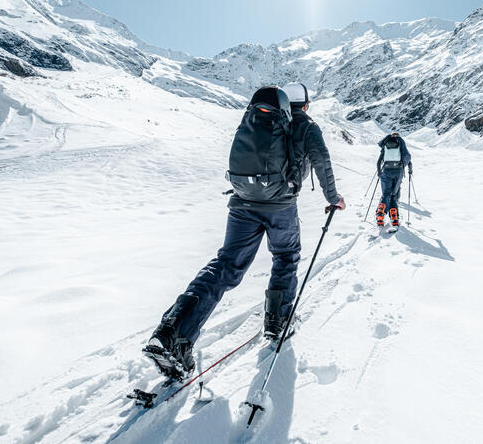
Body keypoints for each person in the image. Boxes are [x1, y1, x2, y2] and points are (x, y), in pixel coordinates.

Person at [144, 83, 345, 379]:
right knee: (286, 256)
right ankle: (277, 323)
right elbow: (322, 161)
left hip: (242, 203)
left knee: (225, 265)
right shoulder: (304, 125)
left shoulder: (257, 118)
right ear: (306, 104)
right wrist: (333, 198)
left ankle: (172, 332)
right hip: (280, 206)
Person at [375, 132, 412, 228]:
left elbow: (379, 161)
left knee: (386, 194)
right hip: (398, 172)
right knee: (393, 195)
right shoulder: (401, 144)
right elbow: (408, 158)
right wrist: (410, 170)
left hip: (386, 171)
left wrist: (379, 173)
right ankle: (394, 218)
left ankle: (380, 214)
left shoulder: (386, 144)